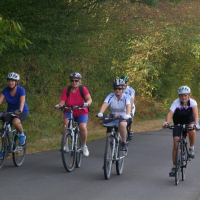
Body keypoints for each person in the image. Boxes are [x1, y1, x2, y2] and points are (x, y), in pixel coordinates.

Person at [162, 86, 199, 177]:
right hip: (178, 122)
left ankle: (191, 148)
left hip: (189, 121)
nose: (183, 97)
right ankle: (174, 166)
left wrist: (196, 124)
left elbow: (195, 114)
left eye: (185, 95)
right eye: (181, 96)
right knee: (175, 143)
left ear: (189, 95)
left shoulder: (193, 102)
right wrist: (166, 122)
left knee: (192, 129)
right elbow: (170, 113)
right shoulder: (176, 102)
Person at [56, 72, 92, 156]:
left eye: (76, 80)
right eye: (72, 80)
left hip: (81, 111)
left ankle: (83, 145)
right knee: (66, 124)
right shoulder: (67, 90)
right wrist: (60, 106)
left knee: (82, 127)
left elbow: (89, 99)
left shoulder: (83, 89)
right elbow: (62, 101)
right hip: (69, 111)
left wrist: (87, 104)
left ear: (79, 81)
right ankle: (65, 145)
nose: (74, 82)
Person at [97, 78, 131, 151]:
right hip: (113, 116)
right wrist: (100, 113)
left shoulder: (126, 96)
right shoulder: (111, 96)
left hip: (123, 116)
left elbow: (128, 106)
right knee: (108, 136)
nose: (117, 90)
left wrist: (127, 115)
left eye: (119, 88)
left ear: (122, 89)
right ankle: (108, 160)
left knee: (122, 125)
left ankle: (124, 142)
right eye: (115, 88)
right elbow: (105, 104)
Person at [0, 72, 29, 151]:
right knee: (4, 128)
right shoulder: (5, 90)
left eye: (12, 81)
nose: (10, 82)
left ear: (16, 82)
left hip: (22, 111)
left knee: (15, 122)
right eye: (9, 81)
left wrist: (19, 110)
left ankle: (22, 135)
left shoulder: (21, 90)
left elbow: (22, 101)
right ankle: (5, 148)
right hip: (10, 111)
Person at [120, 75, 135, 141]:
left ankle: (130, 129)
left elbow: (131, 101)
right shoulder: (119, 88)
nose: (125, 84)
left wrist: (131, 111)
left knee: (130, 116)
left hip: (130, 105)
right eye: (124, 82)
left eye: (126, 82)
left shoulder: (131, 90)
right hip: (122, 105)